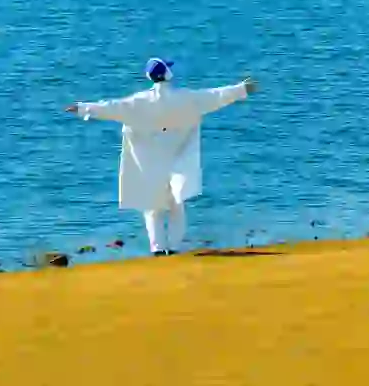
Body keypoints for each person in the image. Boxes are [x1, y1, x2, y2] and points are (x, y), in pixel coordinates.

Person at [65, 58, 258, 256]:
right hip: (178, 158)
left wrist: (82, 108)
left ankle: (157, 248)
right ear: (167, 74)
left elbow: (110, 107)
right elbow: (215, 96)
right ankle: (174, 247)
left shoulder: (139, 102)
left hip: (149, 161)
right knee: (177, 203)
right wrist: (241, 89)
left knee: (152, 206)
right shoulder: (185, 98)